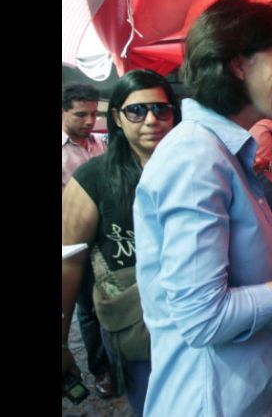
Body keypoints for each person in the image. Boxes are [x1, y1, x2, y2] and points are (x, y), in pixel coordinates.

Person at [132, 0, 272, 417]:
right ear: (238, 64)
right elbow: (204, 319)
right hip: (213, 403)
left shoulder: (225, 151)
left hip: (254, 395)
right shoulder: (195, 157)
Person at [62, 69, 181, 415]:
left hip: (198, 319)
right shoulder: (93, 178)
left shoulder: (193, 168)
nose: (150, 120)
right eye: (137, 110)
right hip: (137, 329)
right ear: (116, 117)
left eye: (161, 110)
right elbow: (69, 262)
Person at [61, 83, 113, 398]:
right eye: (81, 114)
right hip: (74, 243)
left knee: (113, 299)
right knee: (88, 309)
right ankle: (101, 370)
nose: (89, 121)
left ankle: (120, 360)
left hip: (106, 238)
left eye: (94, 114)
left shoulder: (100, 145)